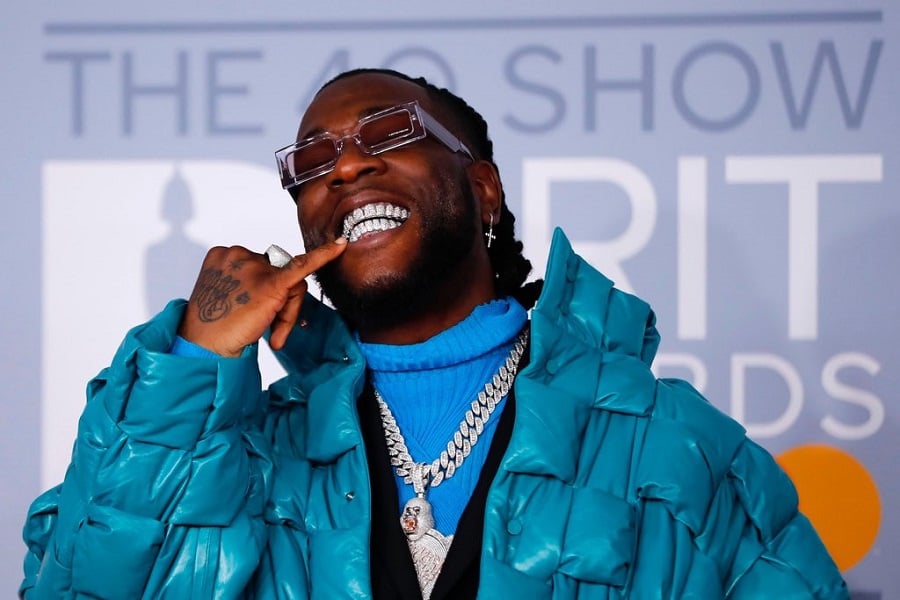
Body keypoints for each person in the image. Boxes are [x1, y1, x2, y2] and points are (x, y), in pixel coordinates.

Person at [20, 68, 848, 599]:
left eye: (389, 133)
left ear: (483, 191)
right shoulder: (245, 454)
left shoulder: (671, 442)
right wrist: (192, 361)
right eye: (312, 163)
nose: (346, 167)